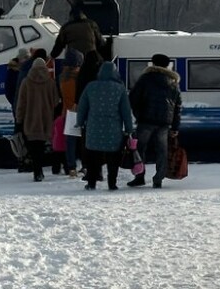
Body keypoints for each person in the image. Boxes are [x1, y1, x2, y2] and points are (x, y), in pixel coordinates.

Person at [127, 53, 182, 188]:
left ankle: (139, 176)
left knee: (139, 149)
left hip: (145, 120)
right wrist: (175, 127)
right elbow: (177, 106)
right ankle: (158, 179)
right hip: (164, 122)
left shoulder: (145, 79)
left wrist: (138, 114)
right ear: (167, 65)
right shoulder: (173, 82)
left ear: (153, 63)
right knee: (162, 151)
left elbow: (133, 98)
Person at [77, 61, 133, 191]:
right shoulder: (119, 88)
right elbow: (126, 111)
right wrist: (129, 128)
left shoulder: (90, 87)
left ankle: (91, 183)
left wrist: (80, 122)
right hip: (113, 129)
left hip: (93, 128)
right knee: (113, 158)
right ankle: (112, 184)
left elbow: (82, 107)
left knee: (92, 157)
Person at [14, 55, 61, 181]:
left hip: (30, 122)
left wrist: (19, 120)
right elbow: (56, 102)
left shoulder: (26, 82)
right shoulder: (50, 83)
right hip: (46, 121)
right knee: (41, 147)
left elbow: (21, 104)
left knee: (33, 148)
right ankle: (39, 171)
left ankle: (37, 171)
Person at [56, 46, 84, 178]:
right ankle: (84, 165)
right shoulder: (79, 77)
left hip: (67, 112)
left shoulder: (61, 78)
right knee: (83, 141)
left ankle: (71, 167)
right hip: (79, 110)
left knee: (70, 142)